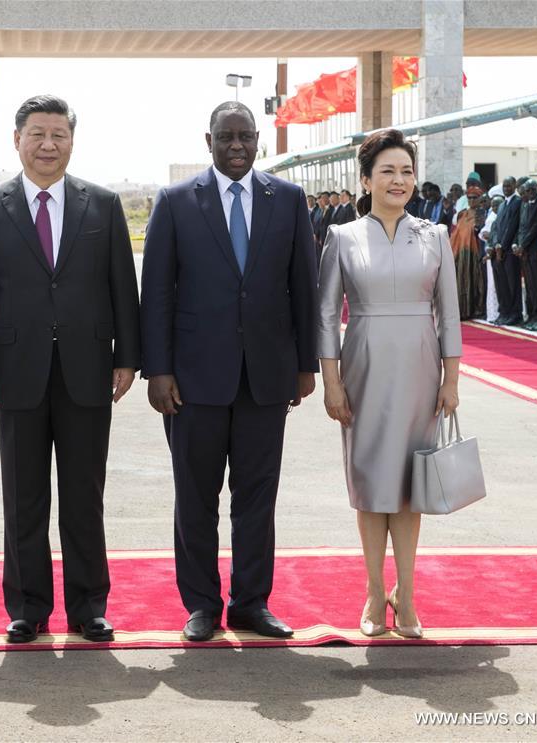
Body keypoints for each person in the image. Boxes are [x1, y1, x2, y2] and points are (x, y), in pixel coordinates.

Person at [0, 94, 140, 644]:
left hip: (89, 369)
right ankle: (28, 607)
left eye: (58, 134)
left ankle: (89, 607)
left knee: (85, 495)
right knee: (24, 495)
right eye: (37, 134)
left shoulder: (103, 205)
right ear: (17, 140)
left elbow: (121, 288)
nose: (47, 144)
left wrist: (127, 357)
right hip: (17, 371)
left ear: (71, 140)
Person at [140, 101, 317, 642]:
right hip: (193, 381)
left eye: (245, 136)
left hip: (266, 377)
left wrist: (305, 364)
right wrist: (159, 371)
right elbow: (158, 294)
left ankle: (250, 603)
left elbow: (303, 287)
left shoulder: (286, 199)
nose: (236, 146)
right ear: (208, 140)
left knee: (256, 497)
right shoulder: (175, 202)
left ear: (258, 140)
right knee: (195, 496)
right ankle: (200, 605)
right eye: (226, 137)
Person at [317, 128, 461, 639]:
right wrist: (331, 384)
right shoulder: (342, 236)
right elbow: (327, 314)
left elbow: (449, 314)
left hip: (422, 371)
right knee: (371, 485)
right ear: (366, 179)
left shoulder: (435, 235)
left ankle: (408, 595)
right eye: (387, 171)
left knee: (408, 488)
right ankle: (375, 594)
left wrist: (452, 379)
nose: (399, 180)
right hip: (364, 368)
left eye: (406, 171)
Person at [513, 180, 537, 330]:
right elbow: (521, 227)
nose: (530, 192)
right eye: (527, 190)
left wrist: (523, 245)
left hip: (533, 251)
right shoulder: (524, 204)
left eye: (533, 189)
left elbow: (535, 228)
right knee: (529, 286)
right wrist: (517, 245)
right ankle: (532, 315)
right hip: (524, 251)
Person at [449, 185, 486, 319]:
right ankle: (461, 310)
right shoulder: (462, 213)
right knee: (460, 281)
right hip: (459, 251)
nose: (471, 200)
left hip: (474, 252)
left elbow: (480, 232)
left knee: (473, 281)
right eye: (469, 198)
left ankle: (473, 310)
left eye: (474, 198)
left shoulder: (481, 213)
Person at [490, 177, 522, 325]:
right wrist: (496, 244)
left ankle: (515, 314)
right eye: (505, 186)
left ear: (514, 186)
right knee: (502, 284)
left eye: (509, 185)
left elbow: (512, 227)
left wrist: (502, 246)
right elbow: (496, 227)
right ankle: (505, 312)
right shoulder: (502, 205)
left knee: (512, 284)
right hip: (499, 250)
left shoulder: (517, 202)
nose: (506, 188)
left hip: (509, 250)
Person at [480, 194, 504, 322]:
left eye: (497, 205)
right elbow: (487, 234)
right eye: (493, 205)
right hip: (491, 254)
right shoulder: (492, 216)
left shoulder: (502, 216)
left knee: (499, 285)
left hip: (500, 254)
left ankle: (499, 312)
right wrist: (489, 248)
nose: (495, 207)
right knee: (493, 285)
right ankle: (493, 313)